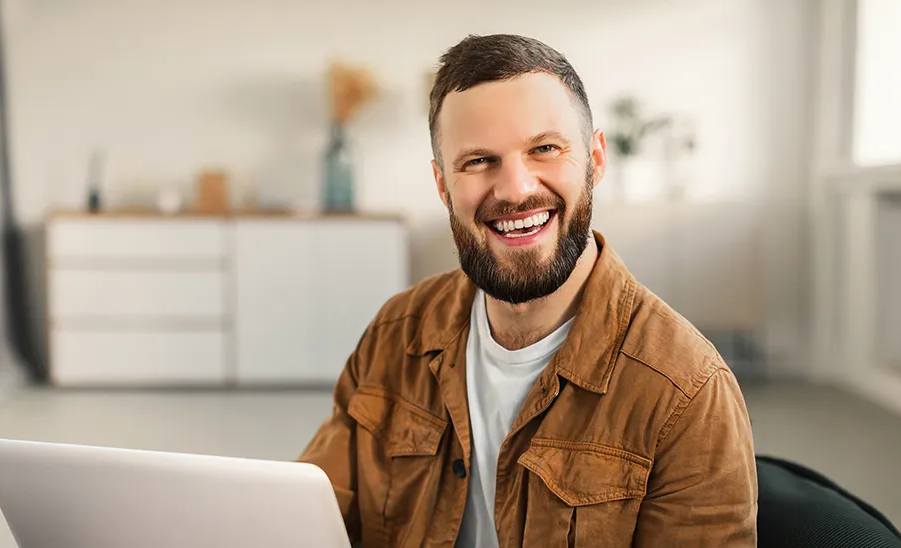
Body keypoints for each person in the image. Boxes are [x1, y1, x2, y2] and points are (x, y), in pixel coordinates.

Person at [300, 33, 758, 547]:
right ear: (442, 184)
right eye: (477, 160)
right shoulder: (394, 333)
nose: (516, 189)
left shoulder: (688, 392)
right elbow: (308, 518)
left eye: (544, 149)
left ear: (595, 160)